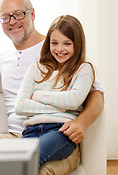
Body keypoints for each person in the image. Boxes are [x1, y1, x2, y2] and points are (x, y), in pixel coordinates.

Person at [0, 0, 104, 174]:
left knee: (34, 163)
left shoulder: (60, 50)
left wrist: (82, 122)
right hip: (20, 135)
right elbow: (18, 103)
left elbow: (95, 93)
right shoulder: (6, 58)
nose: (13, 21)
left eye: (18, 14)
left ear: (32, 14)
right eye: (5, 17)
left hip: (58, 133)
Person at [15, 15, 95, 167]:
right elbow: (20, 106)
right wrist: (64, 106)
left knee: (30, 159)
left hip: (61, 132)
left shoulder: (84, 69)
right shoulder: (36, 68)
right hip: (31, 131)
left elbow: (73, 101)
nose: (59, 49)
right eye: (54, 43)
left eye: (67, 43)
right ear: (48, 43)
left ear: (77, 45)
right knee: (19, 163)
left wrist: (37, 95)